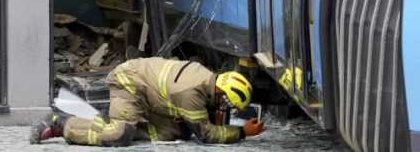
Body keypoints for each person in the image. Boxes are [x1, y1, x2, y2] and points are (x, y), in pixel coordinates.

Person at [32, 57, 266, 146]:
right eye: (228, 104)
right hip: (130, 82)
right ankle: (61, 124)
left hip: (150, 95)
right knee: (119, 135)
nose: (226, 109)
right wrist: (242, 132)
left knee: (171, 132)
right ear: (222, 93)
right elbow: (206, 135)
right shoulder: (192, 93)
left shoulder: (205, 79)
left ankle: (111, 121)